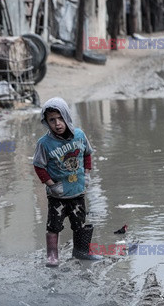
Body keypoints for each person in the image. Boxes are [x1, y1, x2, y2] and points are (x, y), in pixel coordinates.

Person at [33, 97, 101, 267]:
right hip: (58, 195)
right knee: (53, 226)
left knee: (80, 224)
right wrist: (52, 185)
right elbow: (39, 166)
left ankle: (82, 251)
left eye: (60, 118)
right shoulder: (44, 144)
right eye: (52, 120)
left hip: (77, 191)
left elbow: (87, 154)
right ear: (46, 122)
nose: (57, 123)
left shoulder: (79, 135)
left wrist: (86, 175)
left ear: (67, 117)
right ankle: (52, 256)